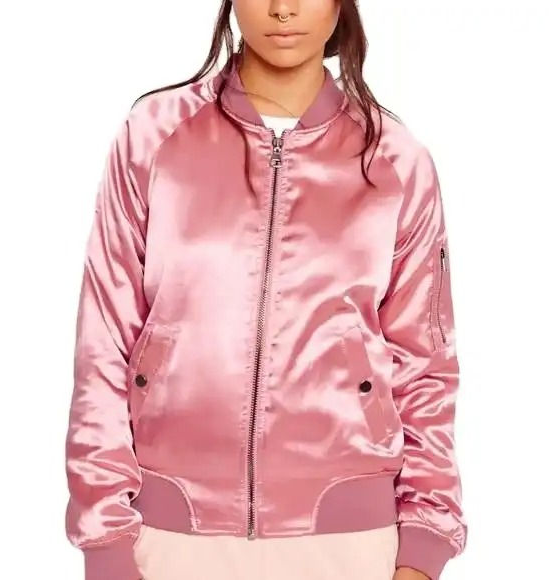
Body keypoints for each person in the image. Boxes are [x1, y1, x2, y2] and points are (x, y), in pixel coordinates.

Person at [63, 1, 468, 579]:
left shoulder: (395, 161)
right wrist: (105, 539)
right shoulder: (154, 137)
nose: (283, 9)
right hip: (169, 533)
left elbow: (426, 368)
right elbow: (104, 344)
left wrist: (424, 546)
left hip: (349, 542)